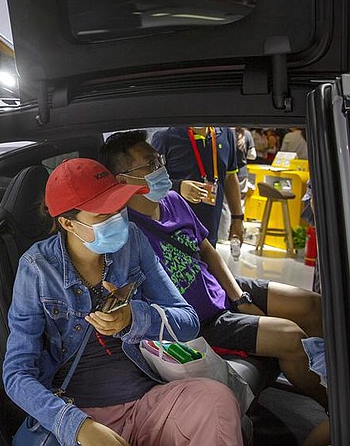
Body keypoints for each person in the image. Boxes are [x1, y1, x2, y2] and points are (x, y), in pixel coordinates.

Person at [3, 158, 243, 446]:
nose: (118, 221)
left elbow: (188, 322)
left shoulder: (133, 243)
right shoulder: (38, 268)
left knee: (216, 400)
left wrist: (134, 319)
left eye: (120, 209)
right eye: (103, 216)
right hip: (79, 410)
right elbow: (17, 374)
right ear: (68, 222)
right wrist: (77, 426)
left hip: (146, 400)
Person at [99, 130, 328, 409]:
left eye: (159, 160)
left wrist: (240, 297)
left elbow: (206, 249)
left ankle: (335, 379)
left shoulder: (173, 200)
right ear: (124, 180)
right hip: (203, 320)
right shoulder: (125, 231)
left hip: (219, 289)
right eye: (151, 164)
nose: (161, 168)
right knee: (292, 336)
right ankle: (334, 409)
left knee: (312, 305)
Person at [151, 126, 243, 246]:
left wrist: (237, 218)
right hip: (174, 233)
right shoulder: (165, 136)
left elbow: (230, 177)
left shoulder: (225, 134)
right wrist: (178, 187)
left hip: (210, 231)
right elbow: (150, 182)